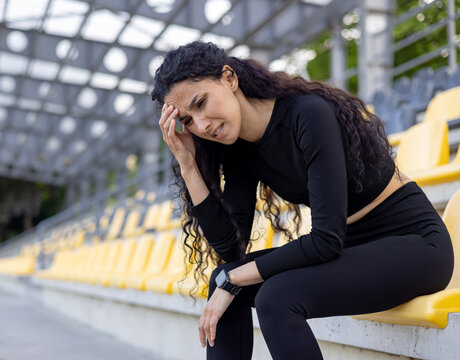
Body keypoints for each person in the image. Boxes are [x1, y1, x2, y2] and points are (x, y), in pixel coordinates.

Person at [151, 41, 454, 360]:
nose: (201, 126)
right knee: (222, 278)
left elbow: (325, 240)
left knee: (274, 296)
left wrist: (235, 277)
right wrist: (187, 163)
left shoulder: (308, 113)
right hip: (352, 250)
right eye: (187, 121)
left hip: (414, 245)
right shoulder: (237, 150)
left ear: (229, 79)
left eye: (200, 104)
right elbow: (230, 251)